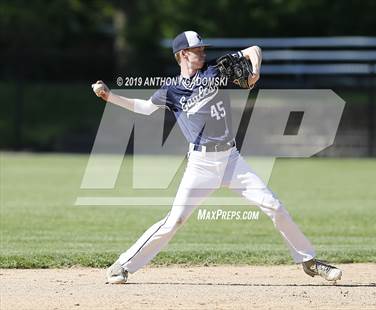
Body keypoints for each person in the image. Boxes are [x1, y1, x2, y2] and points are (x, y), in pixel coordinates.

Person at [91, 31, 342, 284]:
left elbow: (254, 49)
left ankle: (309, 261)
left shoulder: (215, 71)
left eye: (203, 48)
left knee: (274, 206)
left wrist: (255, 70)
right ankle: (121, 265)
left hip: (232, 160)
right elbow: (144, 108)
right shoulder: (172, 90)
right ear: (182, 54)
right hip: (200, 165)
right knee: (174, 220)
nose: (203, 52)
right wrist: (109, 96)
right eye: (197, 49)